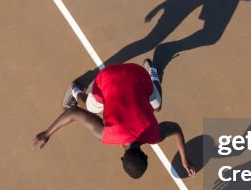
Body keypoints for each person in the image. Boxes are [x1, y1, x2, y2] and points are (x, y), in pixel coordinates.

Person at [31, 59, 196, 178]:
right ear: (122, 157)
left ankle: (151, 73)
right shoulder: (106, 134)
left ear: (145, 156)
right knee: (88, 107)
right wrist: (47, 133)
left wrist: (184, 159)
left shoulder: (154, 135)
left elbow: (175, 128)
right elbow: (73, 112)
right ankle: (75, 89)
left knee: (158, 105)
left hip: (136, 72)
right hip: (107, 77)